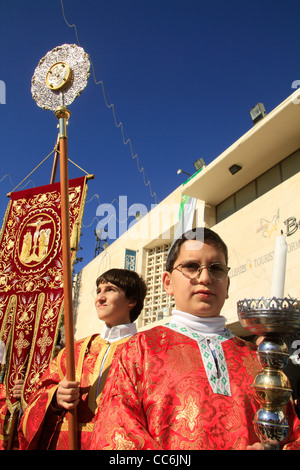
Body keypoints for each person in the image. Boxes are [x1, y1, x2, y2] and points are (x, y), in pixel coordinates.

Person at [90, 228, 300, 450]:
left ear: (227, 285)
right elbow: (115, 434)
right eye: (191, 267)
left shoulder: (258, 360)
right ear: (167, 282)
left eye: (216, 268)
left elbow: (292, 435)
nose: (205, 277)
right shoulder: (140, 349)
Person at [18, 268, 147, 450]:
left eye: (110, 290)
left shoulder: (147, 351)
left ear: (132, 301)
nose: (99, 298)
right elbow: (38, 395)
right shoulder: (74, 351)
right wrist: (55, 397)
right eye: (98, 291)